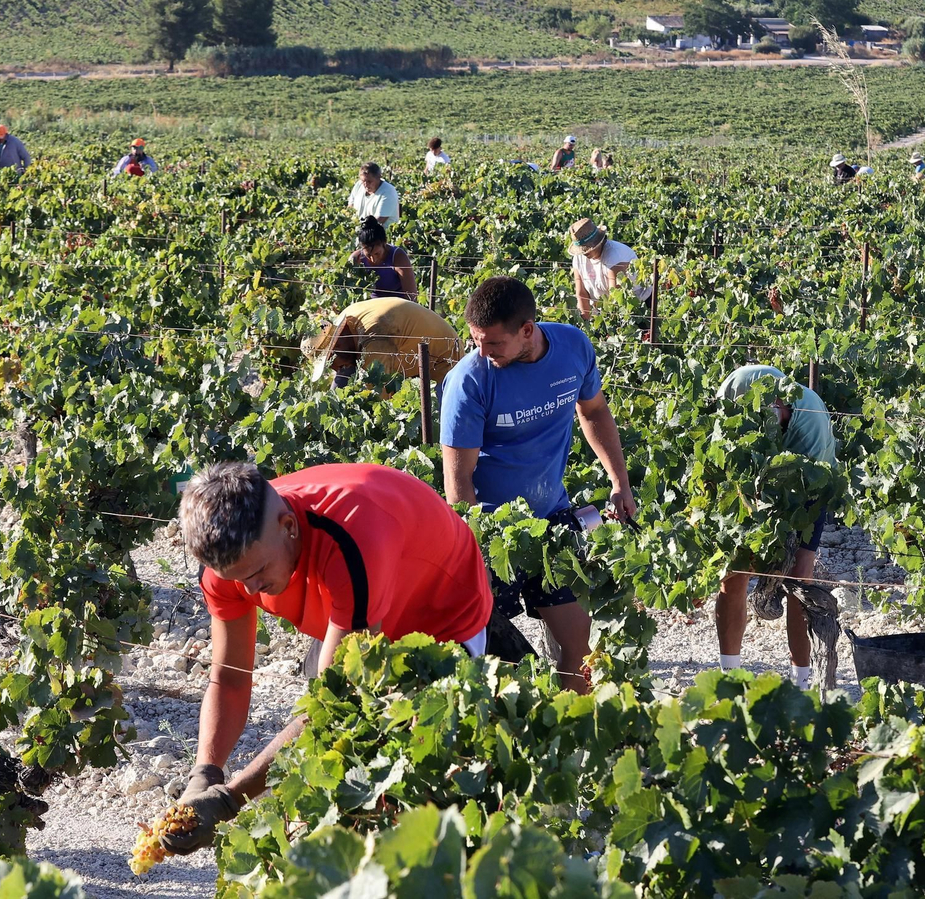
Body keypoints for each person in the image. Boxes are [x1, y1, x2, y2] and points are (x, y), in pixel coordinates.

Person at [160, 461, 494, 856]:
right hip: (354, 606)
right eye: (238, 578)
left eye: (260, 571)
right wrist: (206, 773)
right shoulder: (231, 562)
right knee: (337, 766)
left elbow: (332, 707)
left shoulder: (353, 535)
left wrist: (230, 798)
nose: (251, 588)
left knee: (418, 779)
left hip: (440, 615)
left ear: (288, 526)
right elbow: (230, 679)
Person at [440, 276, 638, 693]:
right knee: (485, 660)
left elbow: (595, 412)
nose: (482, 352)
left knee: (578, 647)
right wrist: (480, 552)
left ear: (527, 331)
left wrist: (620, 481)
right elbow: (458, 487)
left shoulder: (573, 348)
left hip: (551, 521)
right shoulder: (470, 381)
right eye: (476, 341)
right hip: (491, 535)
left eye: (492, 343)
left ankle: (568, 739)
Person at [711, 365, 838, 690]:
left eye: (765, 418)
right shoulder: (736, 392)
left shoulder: (810, 422)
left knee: (800, 576)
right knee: (734, 572)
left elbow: (807, 494)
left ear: (780, 405)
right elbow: (723, 458)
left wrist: (778, 549)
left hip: (808, 489)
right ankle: (731, 678)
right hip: (748, 482)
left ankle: (801, 684)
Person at [303, 293, 464, 388]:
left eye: (332, 363)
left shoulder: (374, 338)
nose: (337, 369)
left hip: (446, 360)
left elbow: (379, 394)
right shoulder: (348, 318)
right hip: (415, 359)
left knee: (440, 420)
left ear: (336, 345)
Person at [568, 218, 653, 321]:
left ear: (598, 242)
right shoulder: (579, 258)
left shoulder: (615, 256)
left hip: (638, 310)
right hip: (604, 312)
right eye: (583, 250)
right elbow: (581, 294)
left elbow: (615, 299)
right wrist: (585, 323)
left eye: (588, 248)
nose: (585, 253)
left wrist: (609, 325)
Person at [347, 216, 417, 302]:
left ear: (384, 243)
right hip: (371, 306)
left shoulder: (398, 257)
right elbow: (351, 293)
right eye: (368, 255)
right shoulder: (356, 260)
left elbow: (411, 296)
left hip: (399, 306)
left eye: (377, 253)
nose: (373, 259)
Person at [347, 163, 399, 228]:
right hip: (360, 231)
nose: (365, 184)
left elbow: (377, 222)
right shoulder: (359, 185)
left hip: (379, 235)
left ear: (379, 178)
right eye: (363, 181)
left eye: (369, 181)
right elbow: (350, 208)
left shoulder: (388, 192)